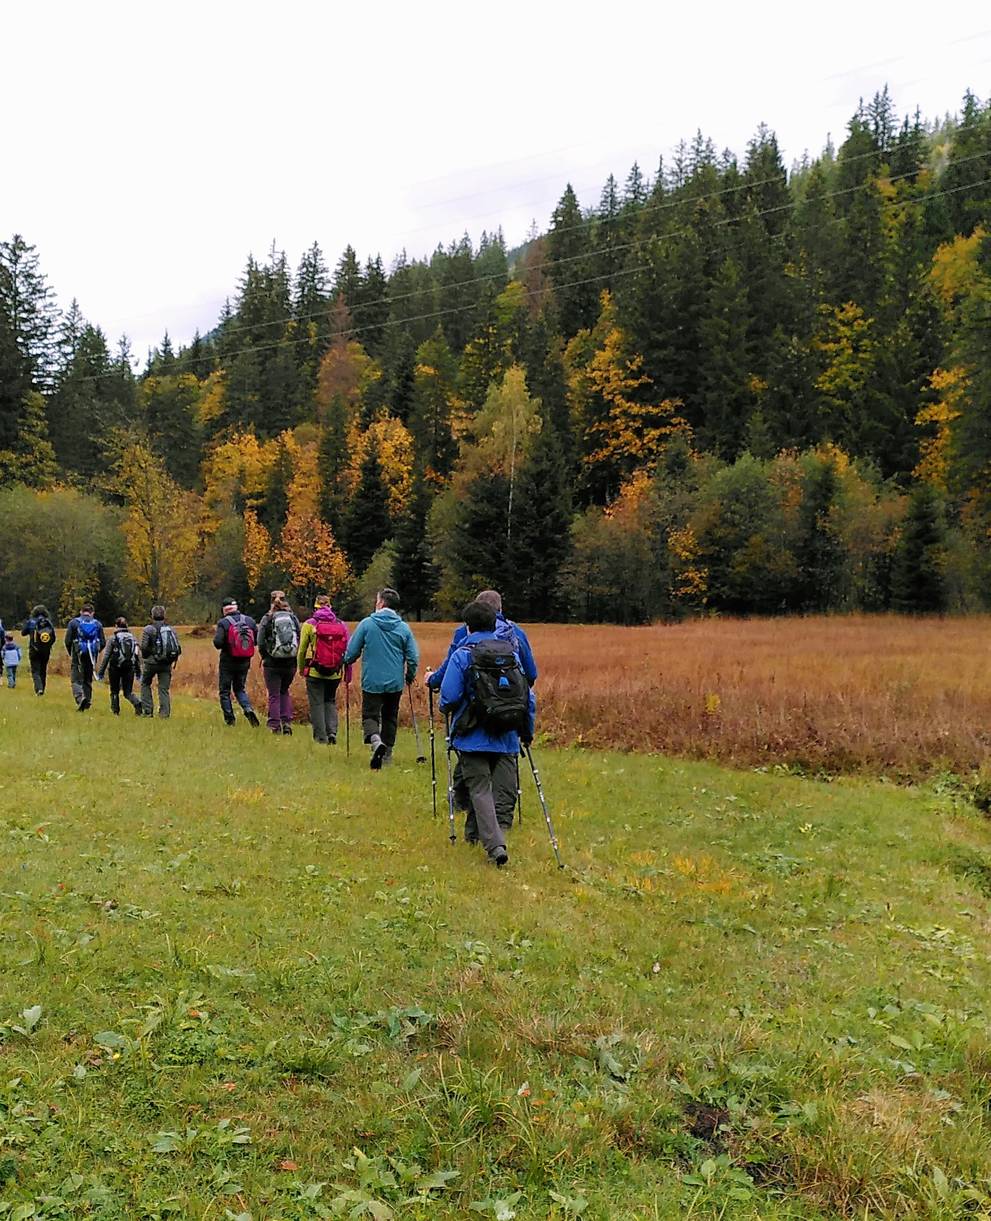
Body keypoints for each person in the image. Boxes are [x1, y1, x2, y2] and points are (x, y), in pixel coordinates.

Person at [426, 589, 537, 841]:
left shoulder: (464, 641)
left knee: (477, 781)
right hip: (508, 722)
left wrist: (433, 684)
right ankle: (494, 827)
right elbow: (530, 677)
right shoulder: (514, 636)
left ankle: (488, 837)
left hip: (472, 723)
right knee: (501, 778)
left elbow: (449, 689)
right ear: (500, 608)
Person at [342, 588, 419, 769]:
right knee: (390, 716)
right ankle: (387, 754)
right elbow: (413, 657)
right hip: (395, 682)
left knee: (370, 715)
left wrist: (346, 661)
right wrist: (410, 675)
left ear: (381, 603)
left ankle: (376, 742)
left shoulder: (367, 624)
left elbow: (352, 651)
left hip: (372, 681)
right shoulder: (403, 628)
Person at [297, 594, 352, 745]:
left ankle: (321, 737)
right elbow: (347, 650)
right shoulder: (341, 625)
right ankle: (332, 733)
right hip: (334, 672)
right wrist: (347, 672)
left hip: (315, 671)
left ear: (316, 606)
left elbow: (302, 650)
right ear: (330, 606)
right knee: (330, 701)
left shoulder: (309, 624)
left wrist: (301, 669)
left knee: (317, 704)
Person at [257, 590, 300, 735]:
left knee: (274, 694)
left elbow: (260, 641)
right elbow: (299, 637)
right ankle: (286, 722)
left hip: (272, 662)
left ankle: (274, 725)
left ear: (270, 602)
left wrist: (265, 656)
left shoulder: (267, 618)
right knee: (284, 691)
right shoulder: (293, 618)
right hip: (290, 662)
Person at [213, 598, 260, 727]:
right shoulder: (249, 621)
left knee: (225, 691)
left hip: (228, 661)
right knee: (240, 689)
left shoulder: (224, 623)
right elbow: (256, 640)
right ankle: (248, 709)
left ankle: (230, 720)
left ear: (224, 609)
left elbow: (218, 643)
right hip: (245, 661)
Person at [139, 605, 181, 718]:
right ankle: (164, 713)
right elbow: (177, 647)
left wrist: (146, 657)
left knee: (145, 684)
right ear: (164, 615)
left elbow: (143, 646)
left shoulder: (148, 629)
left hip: (150, 663)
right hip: (166, 664)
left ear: (152, 615)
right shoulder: (171, 629)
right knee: (163, 689)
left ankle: (148, 711)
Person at [97, 617, 143, 715]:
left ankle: (115, 711)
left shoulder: (113, 638)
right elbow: (137, 656)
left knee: (114, 691)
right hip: (129, 667)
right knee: (128, 692)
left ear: (116, 626)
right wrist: (138, 672)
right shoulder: (133, 638)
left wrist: (101, 672)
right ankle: (137, 702)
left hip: (115, 668)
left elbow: (106, 656)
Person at [65, 603, 106, 711]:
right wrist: (96, 652)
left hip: (78, 654)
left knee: (76, 679)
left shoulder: (74, 623)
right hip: (91, 655)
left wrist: (72, 652)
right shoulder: (97, 624)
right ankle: (87, 701)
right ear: (92, 613)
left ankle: (80, 698)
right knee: (87, 679)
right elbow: (102, 642)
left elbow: (68, 640)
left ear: (81, 612)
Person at [21, 604, 56, 695]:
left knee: (35, 670)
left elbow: (23, 633)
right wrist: (48, 646)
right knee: (43, 670)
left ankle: (38, 689)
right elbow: (53, 638)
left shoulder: (32, 622)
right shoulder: (48, 622)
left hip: (34, 650)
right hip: (46, 651)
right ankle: (42, 689)